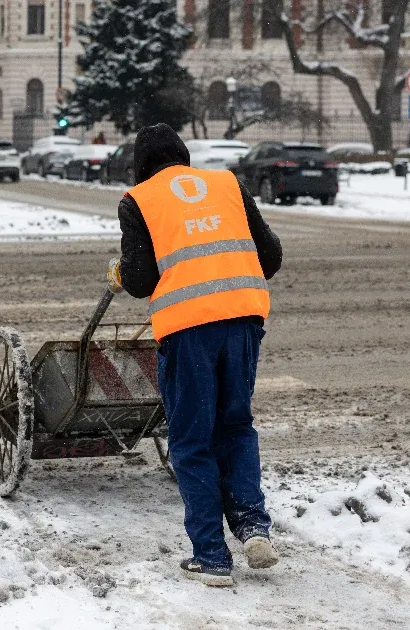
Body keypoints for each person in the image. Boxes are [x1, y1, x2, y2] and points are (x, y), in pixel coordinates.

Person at [109, 123, 282, 587]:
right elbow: (271, 258)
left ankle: (212, 557)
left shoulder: (139, 200)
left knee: (190, 440)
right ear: (184, 157)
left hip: (189, 330)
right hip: (245, 318)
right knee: (236, 426)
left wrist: (120, 271)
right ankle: (252, 527)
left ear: (141, 167)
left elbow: (142, 279)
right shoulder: (228, 184)